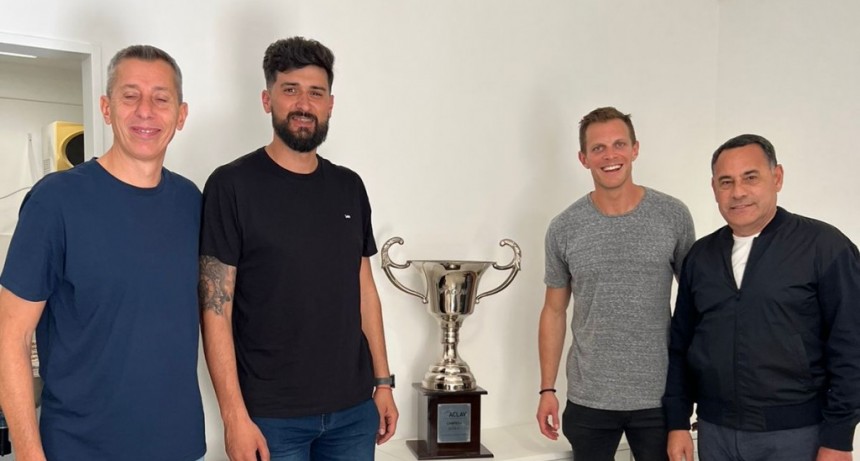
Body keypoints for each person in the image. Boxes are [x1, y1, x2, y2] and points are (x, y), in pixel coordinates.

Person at [0, 45, 205, 460]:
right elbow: (10, 337)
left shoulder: (192, 202)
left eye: (161, 98)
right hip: (81, 448)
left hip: (178, 445)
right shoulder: (55, 201)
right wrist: (29, 454)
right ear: (106, 108)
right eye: (130, 96)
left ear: (181, 115)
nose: (145, 111)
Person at [199, 36, 398, 461]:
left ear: (330, 104)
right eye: (290, 90)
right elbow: (215, 309)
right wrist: (233, 417)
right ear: (267, 99)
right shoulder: (231, 186)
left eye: (316, 93)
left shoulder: (349, 186)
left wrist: (383, 382)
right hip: (271, 418)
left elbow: (365, 291)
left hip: (353, 411)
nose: (304, 104)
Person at [664, 134, 860, 461]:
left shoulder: (825, 247)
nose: (738, 192)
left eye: (750, 177)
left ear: (777, 177)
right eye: (726, 182)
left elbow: (851, 345)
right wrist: (677, 422)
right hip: (715, 433)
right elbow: (681, 344)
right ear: (714, 188)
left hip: (797, 435)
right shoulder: (701, 256)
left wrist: (839, 439)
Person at [536, 106, 696, 460]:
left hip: (658, 397)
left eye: (619, 144)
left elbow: (694, 304)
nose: (610, 156)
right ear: (583, 158)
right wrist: (547, 389)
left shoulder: (672, 215)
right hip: (589, 397)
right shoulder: (564, 227)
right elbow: (553, 310)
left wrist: (693, 391)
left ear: (635, 149)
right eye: (598, 148)